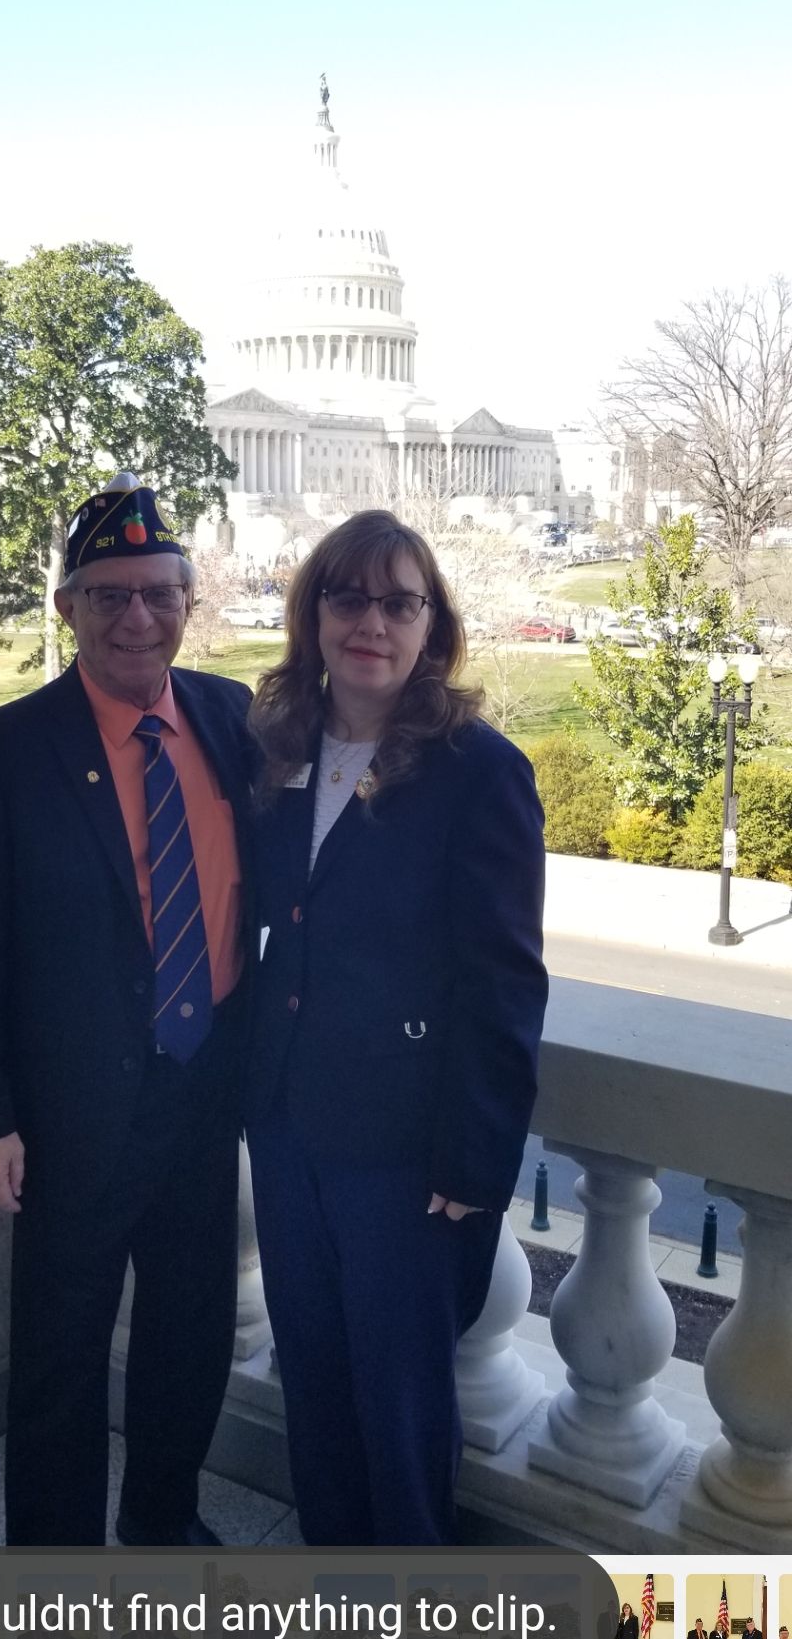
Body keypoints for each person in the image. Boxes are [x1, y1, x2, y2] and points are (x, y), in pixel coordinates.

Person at [0, 475, 257, 1547]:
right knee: (61, 1358)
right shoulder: (0, 755)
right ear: (67, 608)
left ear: (189, 600)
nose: (137, 619)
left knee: (189, 1331)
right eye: (109, 595)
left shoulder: (228, 715)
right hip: (69, 1118)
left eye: (160, 593)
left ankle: (164, 1520)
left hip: (203, 1099)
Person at [245, 509, 547, 1546]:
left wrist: (475, 1164)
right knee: (314, 1375)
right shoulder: (280, 747)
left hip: (404, 1147)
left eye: (399, 601)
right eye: (349, 596)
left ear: (432, 627)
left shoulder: (478, 770)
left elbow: (503, 982)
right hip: (287, 1127)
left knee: (403, 1402)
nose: (371, 620)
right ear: (315, 614)